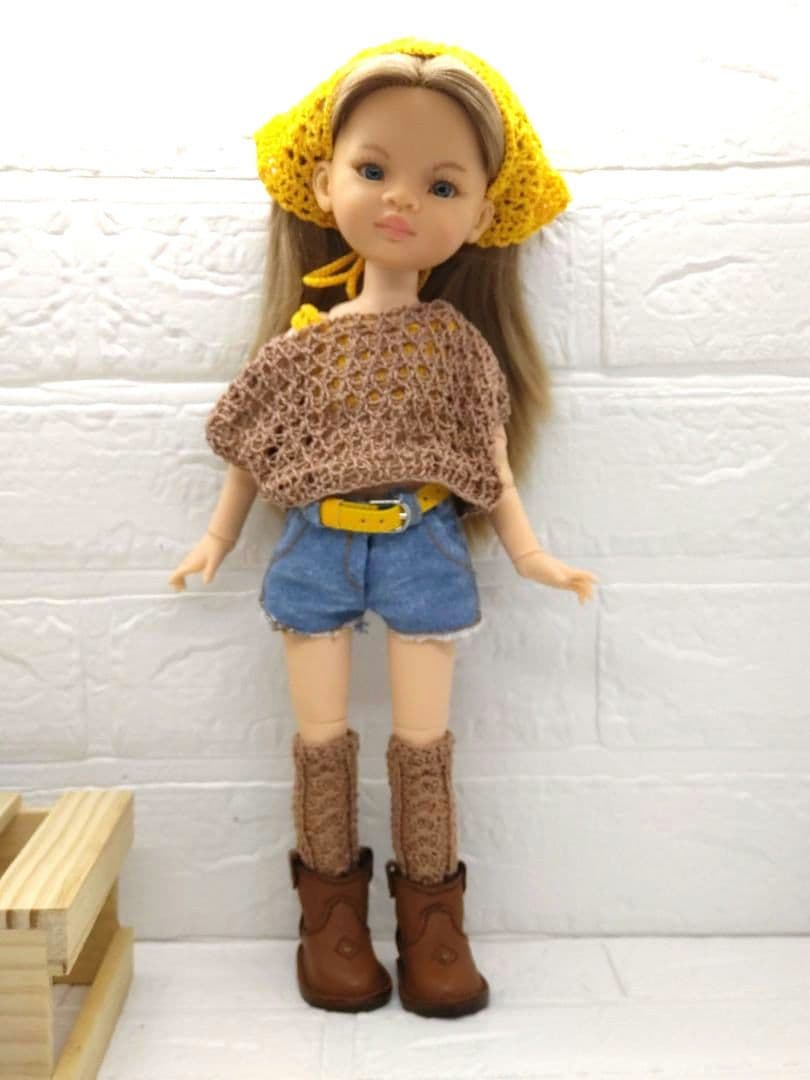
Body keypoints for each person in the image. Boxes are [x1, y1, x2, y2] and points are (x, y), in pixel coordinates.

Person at [169, 36, 598, 1018]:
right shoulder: (303, 345)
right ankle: (330, 918)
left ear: (481, 216)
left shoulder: (455, 347)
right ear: (326, 184)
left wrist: (530, 551)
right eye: (374, 170)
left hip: (422, 545)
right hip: (316, 547)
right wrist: (218, 538)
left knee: (423, 741)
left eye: (441, 186)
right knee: (321, 740)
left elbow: (486, 455)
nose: (401, 200)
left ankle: (433, 923)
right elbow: (252, 447)